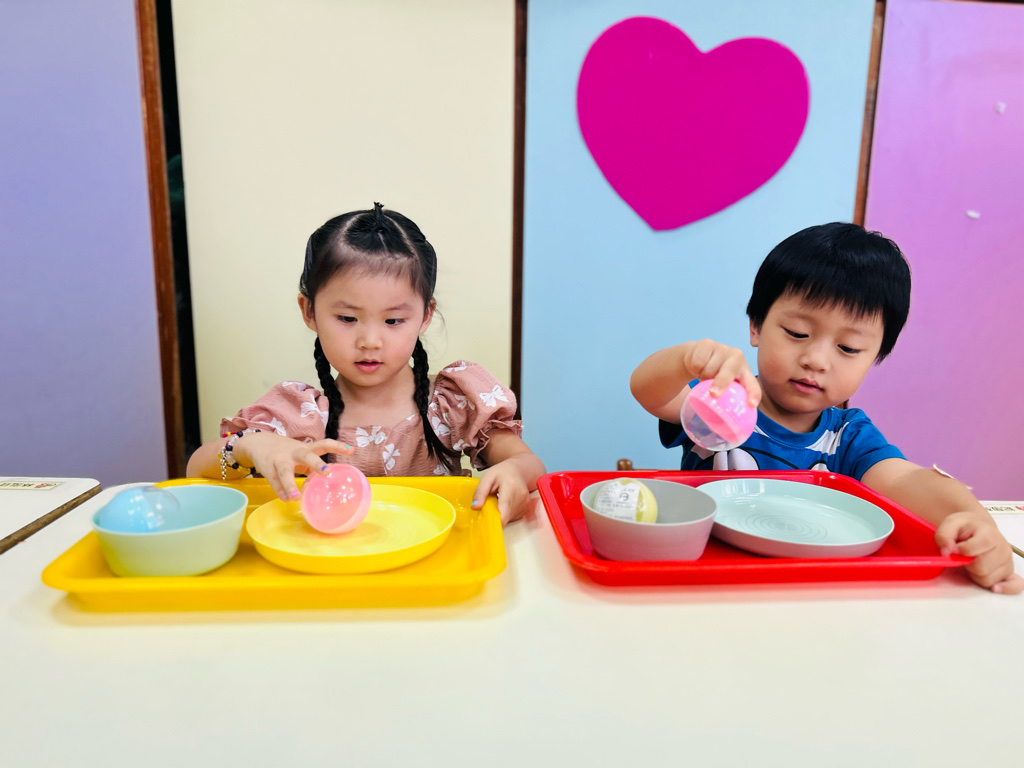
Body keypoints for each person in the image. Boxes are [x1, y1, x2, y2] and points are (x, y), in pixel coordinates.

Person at [630, 222, 1021, 594]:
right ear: (756, 326)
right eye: (797, 333)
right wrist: (688, 360)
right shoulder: (722, 399)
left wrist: (974, 522)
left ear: (874, 358)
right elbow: (652, 393)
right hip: (702, 576)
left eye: (848, 348)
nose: (816, 360)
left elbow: (907, 481)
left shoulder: (847, 436)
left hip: (810, 589)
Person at [187, 203, 545, 524]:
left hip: (437, 566)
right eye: (347, 318)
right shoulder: (298, 416)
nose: (370, 341)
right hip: (331, 567)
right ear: (309, 311)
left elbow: (530, 465)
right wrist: (246, 447)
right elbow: (196, 472)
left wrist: (514, 471)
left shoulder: (450, 403)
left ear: (425, 315)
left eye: (393, 321)